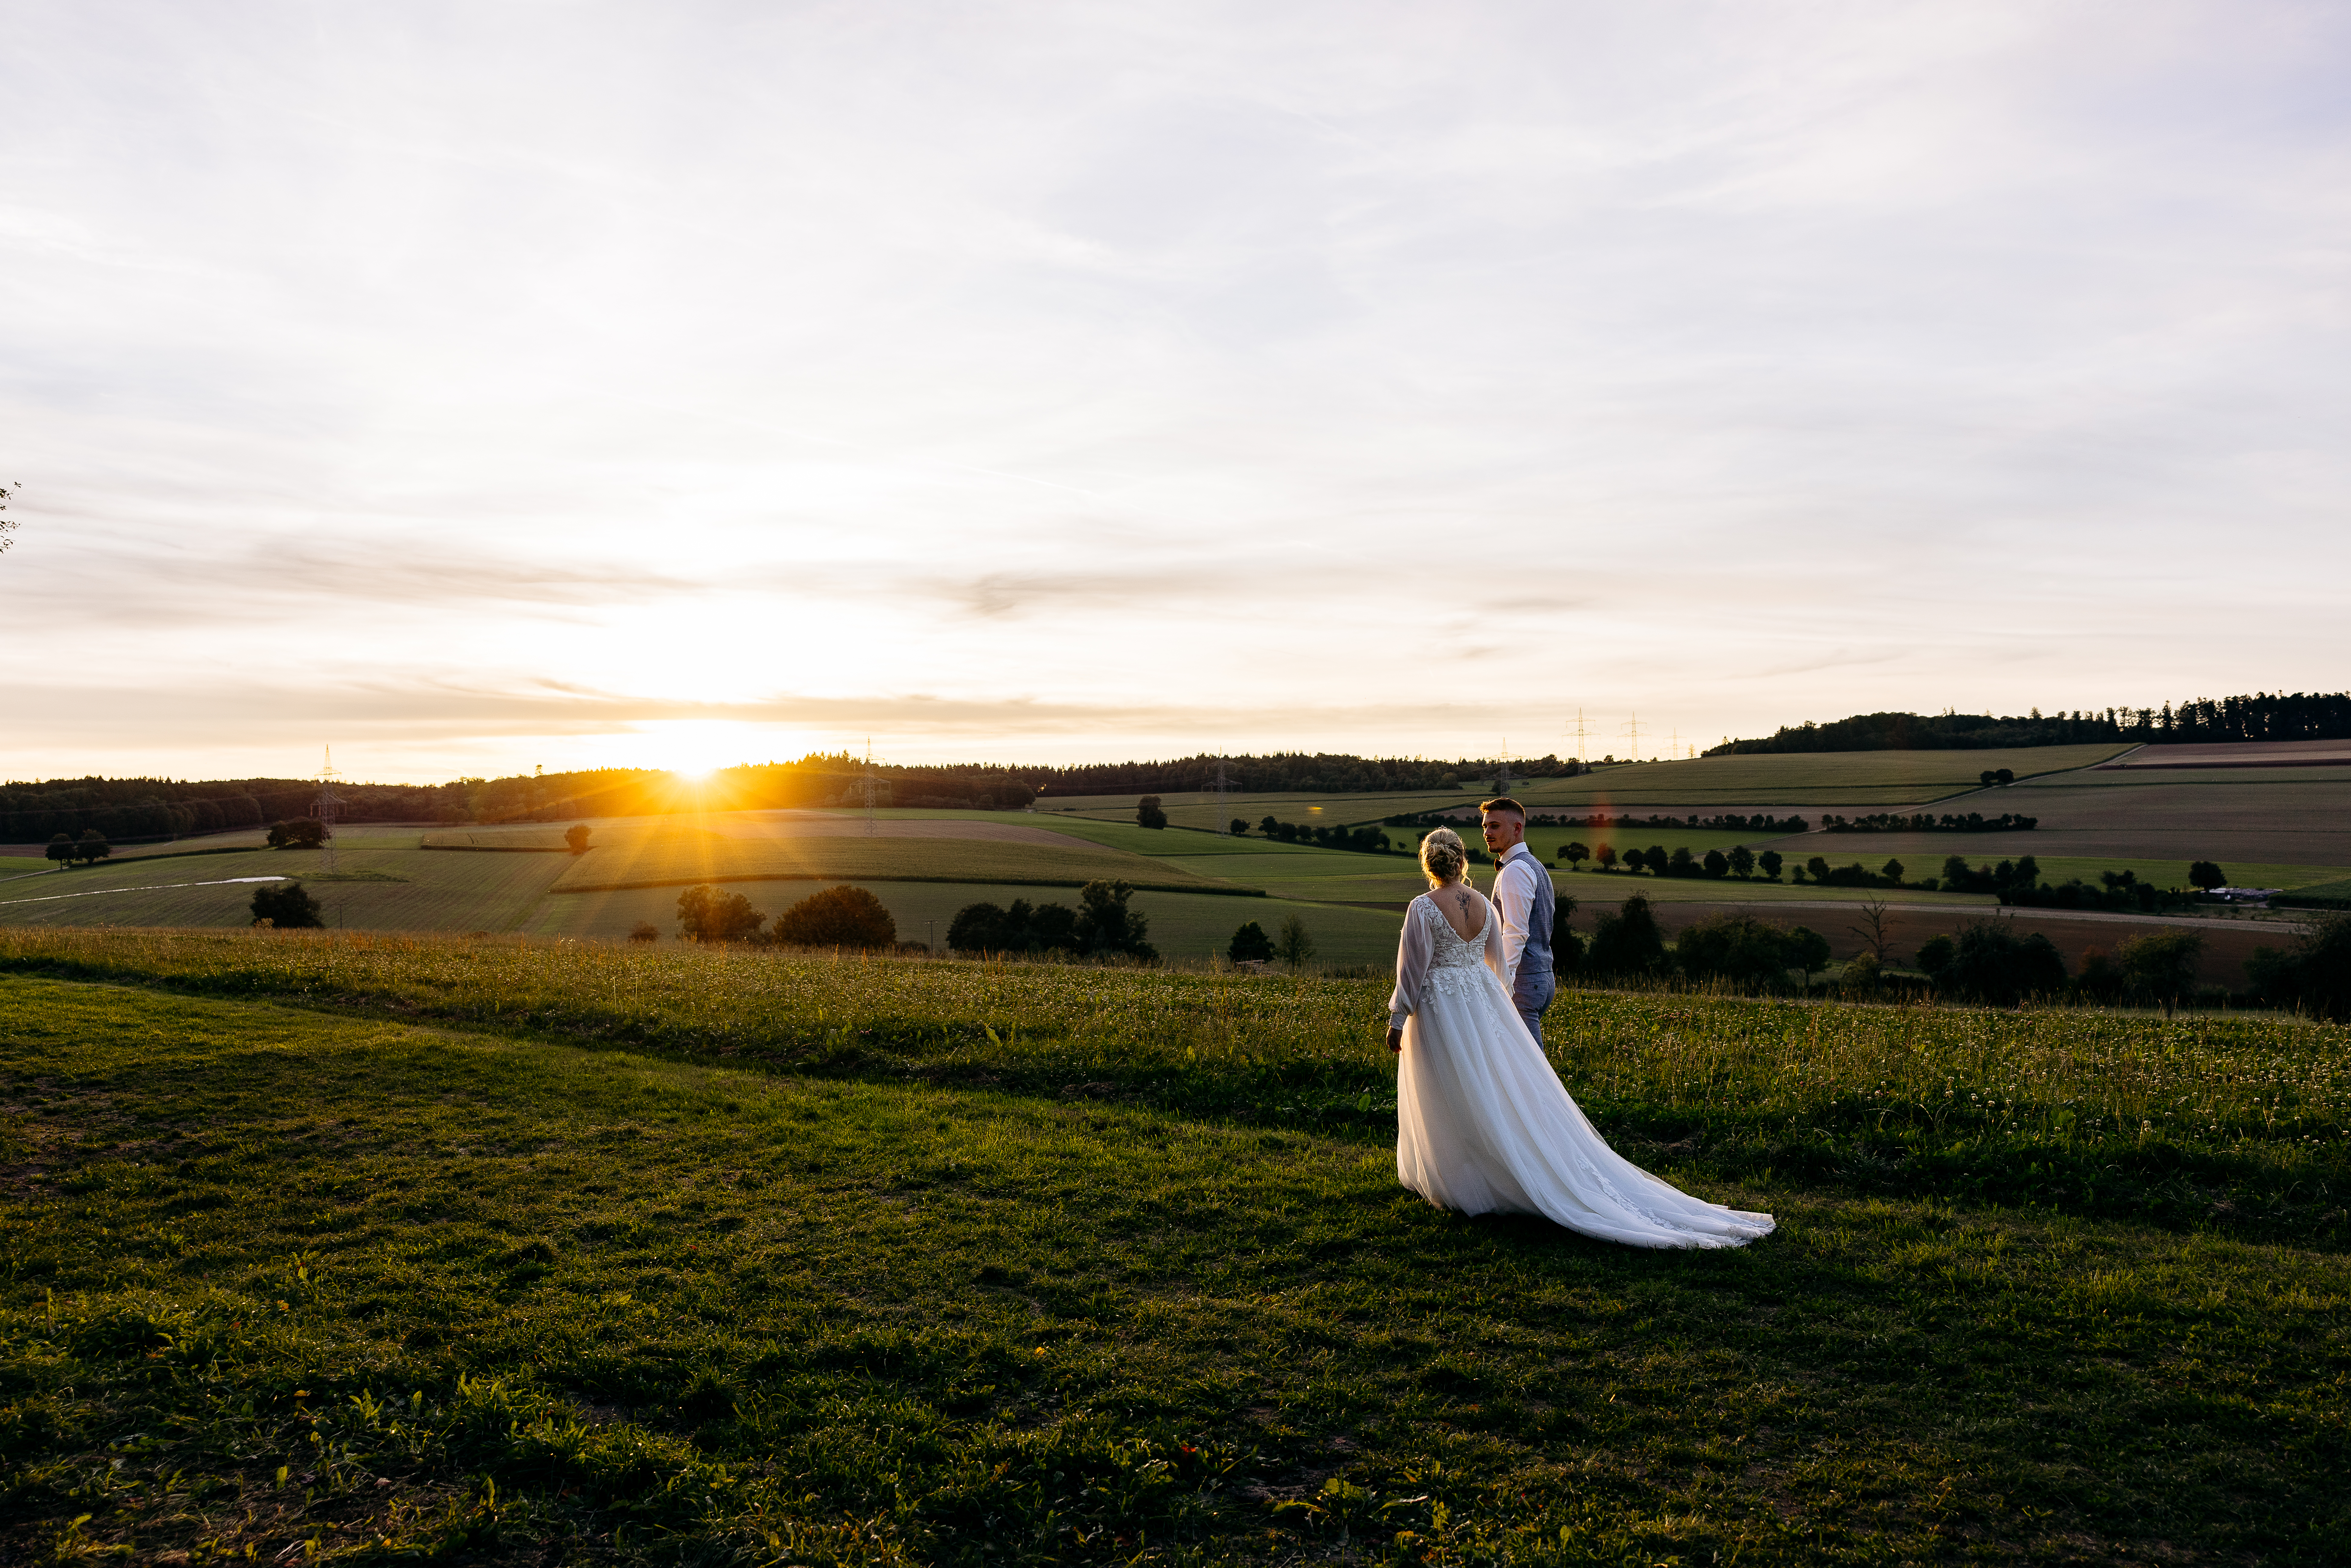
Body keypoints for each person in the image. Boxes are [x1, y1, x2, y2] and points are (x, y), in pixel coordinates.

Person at [1383, 827, 1774, 1248]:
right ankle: (1486, 1167)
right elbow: (1497, 965)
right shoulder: (1484, 906)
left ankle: (1463, 1177)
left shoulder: (1422, 908)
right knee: (1489, 1088)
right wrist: (1489, 1006)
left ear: (1429, 863)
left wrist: (1398, 1016)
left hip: (1441, 1006)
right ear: (1462, 860)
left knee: (1448, 1091)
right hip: (1482, 1002)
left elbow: (1412, 967)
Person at [1478, 796, 1553, 1041]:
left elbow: (1515, 933)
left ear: (1517, 828)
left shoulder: (1515, 870)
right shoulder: (1535, 866)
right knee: (1520, 1062)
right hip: (1539, 977)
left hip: (1521, 983)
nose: (1487, 832)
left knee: (1532, 1068)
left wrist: (1502, 984)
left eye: (1495, 826)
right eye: (1485, 826)